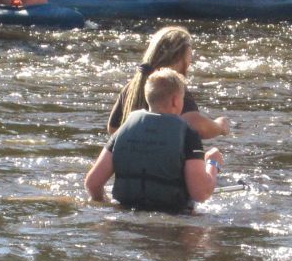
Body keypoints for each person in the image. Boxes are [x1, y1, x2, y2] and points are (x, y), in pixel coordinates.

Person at [84, 68, 221, 212]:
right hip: (172, 217)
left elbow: (92, 184)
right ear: (175, 101)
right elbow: (200, 193)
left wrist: (104, 201)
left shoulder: (124, 129)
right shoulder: (187, 134)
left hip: (124, 215)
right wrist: (213, 163)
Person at [104, 25, 230, 141]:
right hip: (164, 156)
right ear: (179, 57)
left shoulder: (132, 86)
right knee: (214, 155)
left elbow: (113, 128)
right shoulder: (172, 87)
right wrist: (220, 126)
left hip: (132, 155)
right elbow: (197, 127)